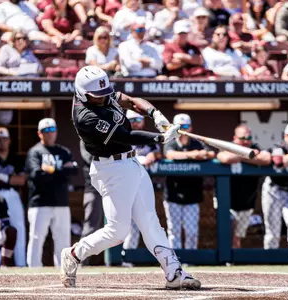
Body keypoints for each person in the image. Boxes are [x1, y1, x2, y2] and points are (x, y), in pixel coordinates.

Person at [63, 65, 201, 289]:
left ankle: (174, 273)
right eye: (97, 96)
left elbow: (129, 100)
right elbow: (126, 136)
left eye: (105, 92)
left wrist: (155, 114)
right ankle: (74, 253)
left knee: (151, 223)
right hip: (111, 170)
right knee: (117, 231)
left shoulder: (101, 94)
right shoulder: (86, 116)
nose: (104, 98)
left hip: (131, 163)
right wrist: (161, 139)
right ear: (83, 94)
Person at [25, 118, 78, 267]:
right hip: (39, 202)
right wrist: (61, 171)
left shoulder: (63, 151)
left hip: (61, 202)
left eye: (52, 130)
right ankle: (33, 270)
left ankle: (63, 270)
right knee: (36, 238)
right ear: (39, 133)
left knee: (63, 240)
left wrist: (50, 170)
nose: (50, 134)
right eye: (46, 131)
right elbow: (36, 174)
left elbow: (74, 170)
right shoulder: (34, 152)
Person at [164, 114, 215, 250]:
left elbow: (211, 153)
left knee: (191, 231)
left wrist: (201, 153)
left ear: (190, 127)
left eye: (185, 127)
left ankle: (191, 259)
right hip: (173, 194)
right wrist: (191, 155)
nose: (182, 130)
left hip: (192, 194)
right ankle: (175, 259)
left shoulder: (196, 142)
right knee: (174, 231)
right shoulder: (171, 141)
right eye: (179, 127)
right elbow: (169, 154)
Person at [217, 125, 271, 248]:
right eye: (242, 138)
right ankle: (225, 258)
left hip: (247, 200)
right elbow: (224, 157)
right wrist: (248, 155)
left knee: (238, 236)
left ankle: (233, 260)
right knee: (228, 229)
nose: (246, 141)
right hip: (227, 199)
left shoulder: (254, 147)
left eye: (249, 138)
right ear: (235, 138)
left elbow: (266, 159)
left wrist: (240, 157)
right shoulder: (229, 146)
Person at [121, 109, 162, 267]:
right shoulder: (123, 136)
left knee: (149, 224)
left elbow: (159, 153)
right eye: (133, 120)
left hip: (146, 187)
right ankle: (127, 259)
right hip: (127, 187)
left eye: (139, 119)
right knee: (128, 226)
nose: (137, 122)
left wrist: (154, 155)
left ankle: (158, 258)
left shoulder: (148, 137)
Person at [0, 127, 27, 267]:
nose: (1, 142)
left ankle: (21, 264)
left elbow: (21, 180)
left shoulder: (15, 158)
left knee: (18, 229)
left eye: (4, 139)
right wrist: (10, 178)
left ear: (9, 140)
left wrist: (0, 176)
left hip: (13, 194)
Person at [79, 140, 103, 266]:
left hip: (112, 187)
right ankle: (80, 259)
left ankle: (122, 261)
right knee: (91, 226)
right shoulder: (85, 138)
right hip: (93, 189)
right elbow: (91, 159)